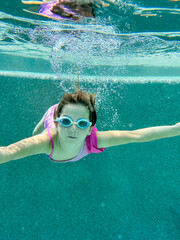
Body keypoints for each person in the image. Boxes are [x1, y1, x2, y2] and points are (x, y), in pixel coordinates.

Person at [0, 90, 179, 164]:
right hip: (53, 111)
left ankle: (88, 107)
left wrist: (175, 128)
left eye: (83, 124)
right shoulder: (48, 140)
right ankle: (67, 114)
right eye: (66, 122)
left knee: (87, 109)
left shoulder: (93, 139)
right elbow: (9, 152)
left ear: (90, 128)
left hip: (71, 114)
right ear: (58, 122)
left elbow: (136, 135)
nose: (73, 129)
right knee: (35, 132)